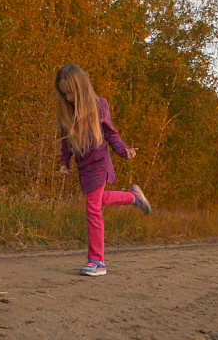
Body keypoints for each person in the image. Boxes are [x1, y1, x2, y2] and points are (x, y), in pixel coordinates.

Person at [55, 64, 151, 277]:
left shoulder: (100, 107)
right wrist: (64, 163)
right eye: (64, 94)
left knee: (92, 209)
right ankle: (133, 198)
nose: (69, 97)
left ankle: (97, 261)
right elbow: (65, 143)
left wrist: (124, 151)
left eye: (71, 92)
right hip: (84, 169)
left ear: (81, 87)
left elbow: (111, 134)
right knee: (98, 202)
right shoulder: (67, 114)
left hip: (100, 163)